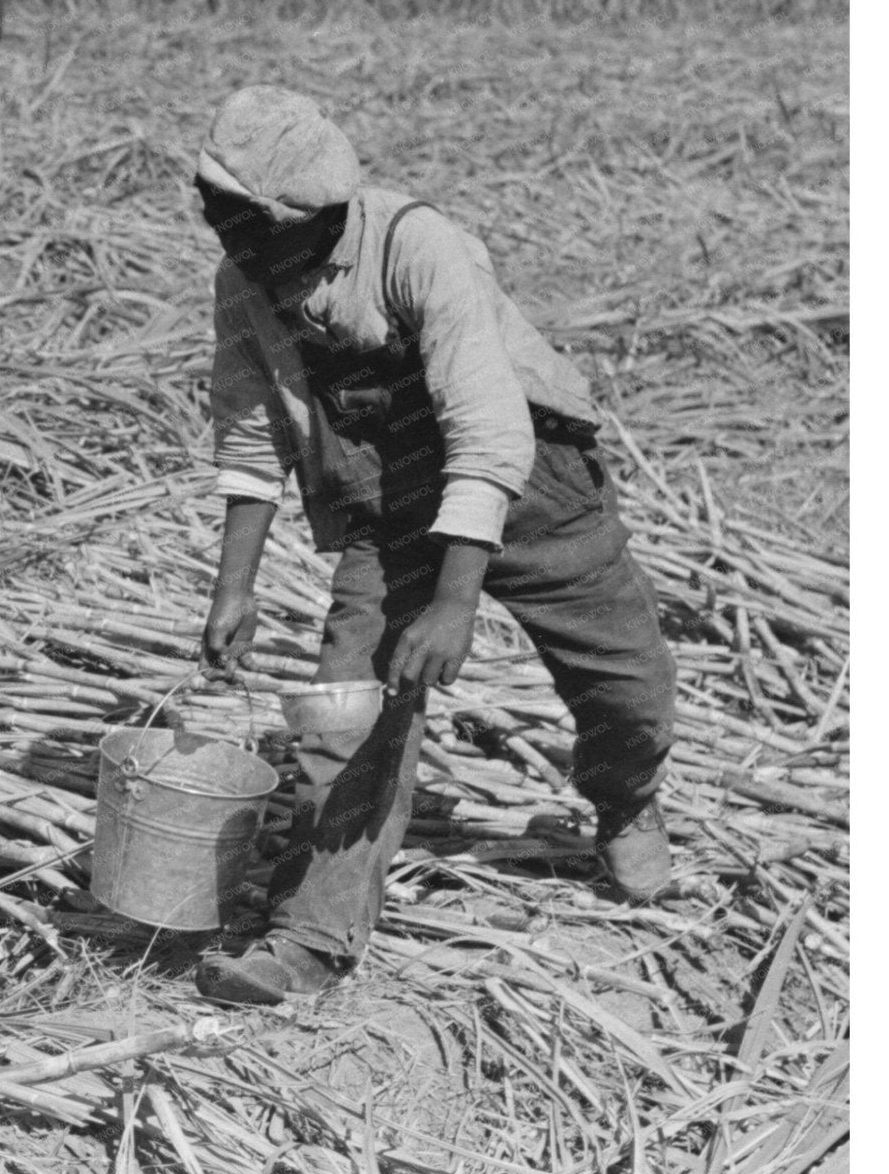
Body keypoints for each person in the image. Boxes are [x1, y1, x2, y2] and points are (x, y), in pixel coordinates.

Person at [188, 86, 677, 1006]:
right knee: (347, 708)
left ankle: (624, 799)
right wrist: (233, 589)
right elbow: (251, 432)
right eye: (211, 209)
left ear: (305, 217)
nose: (218, 234)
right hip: (394, 503)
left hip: (530, 482)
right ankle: (308, 935)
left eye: (235, 216)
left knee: (628, 680)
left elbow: (489, 425)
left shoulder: (414, 244)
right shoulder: (246, 282)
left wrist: (455, 602)